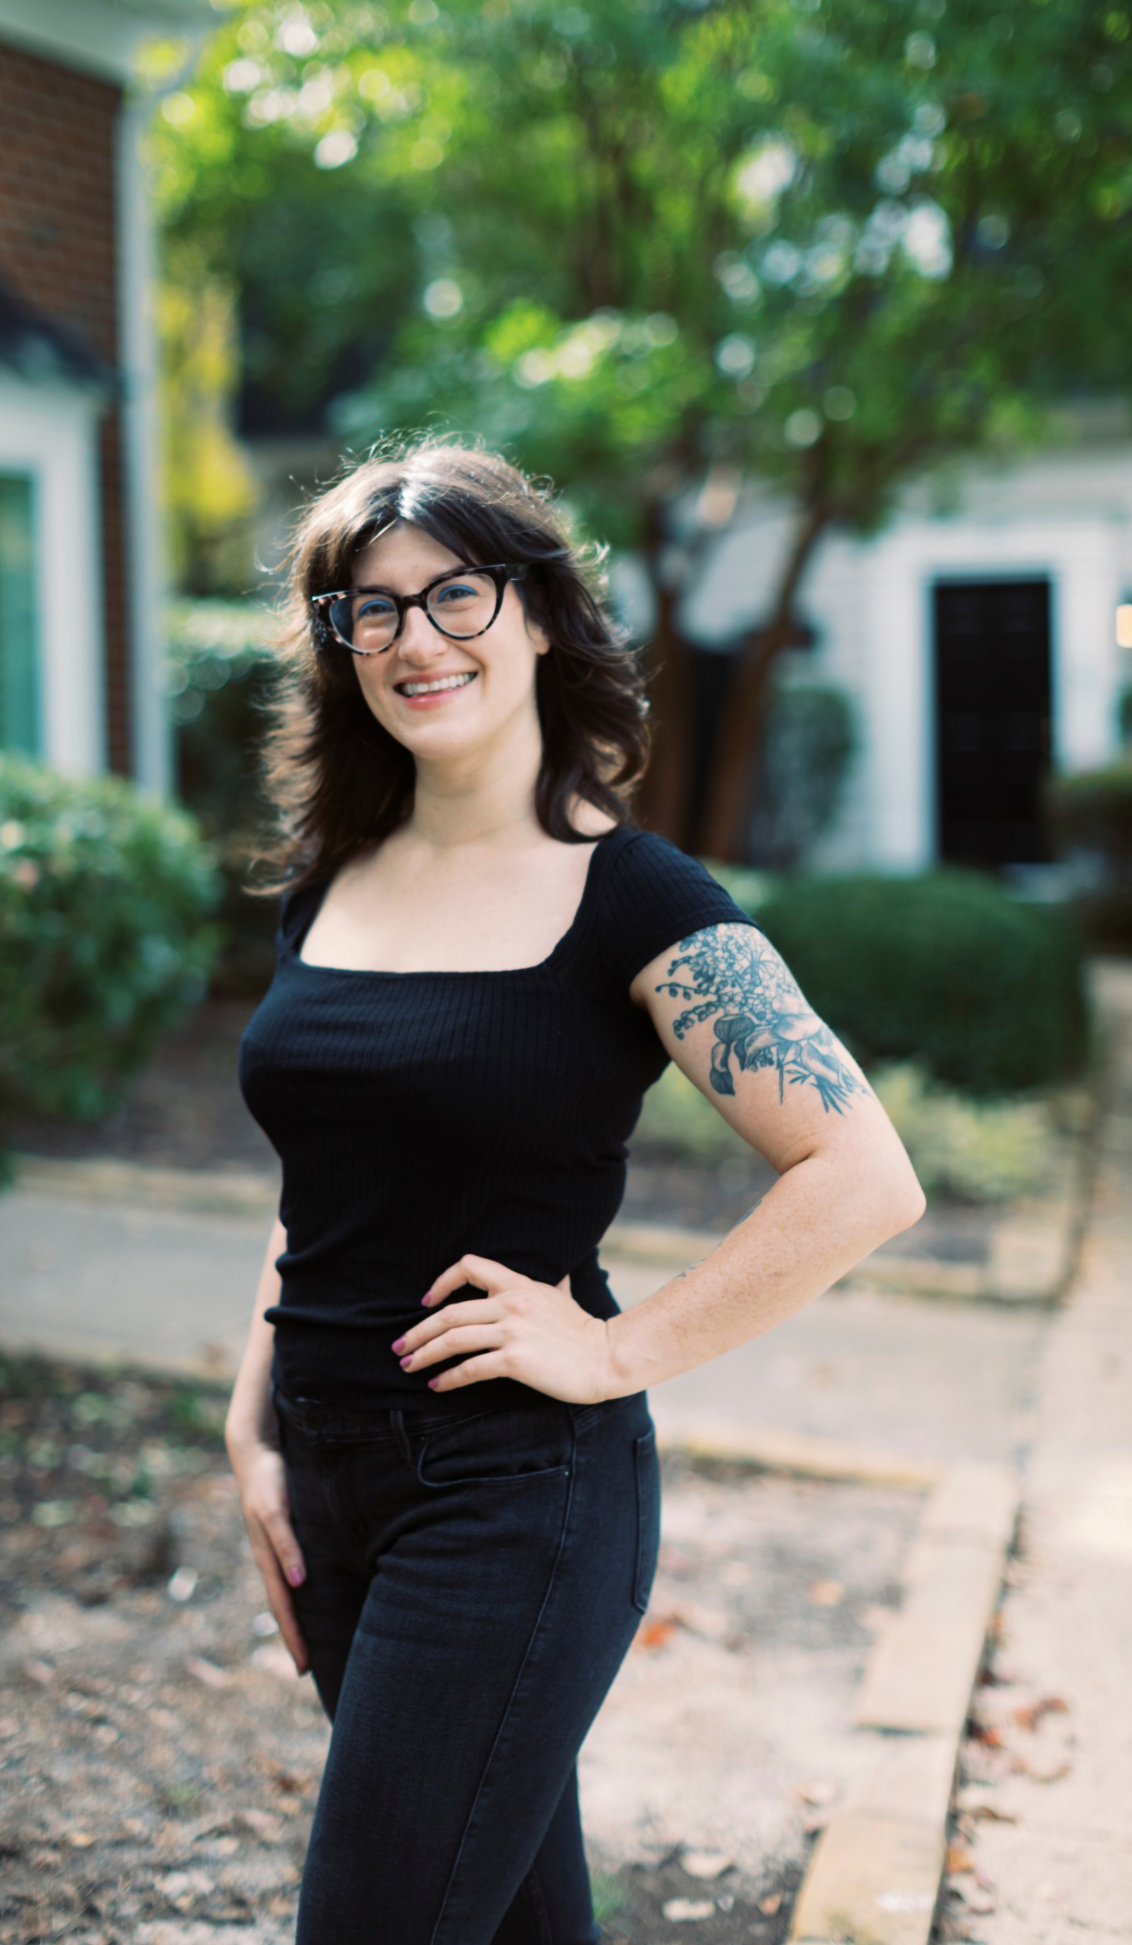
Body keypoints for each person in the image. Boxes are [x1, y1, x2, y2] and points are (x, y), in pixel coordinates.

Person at [227, 441, 925, 1945]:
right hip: (329, 1477)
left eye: (455, 595)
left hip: (511, 1496)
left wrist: (617, 1350)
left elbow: (862, 1173)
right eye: (372, 610)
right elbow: (332, 1179)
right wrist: (256, 1402)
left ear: (538, 615)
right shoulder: (327, 885)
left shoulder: (641, 898)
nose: (416, 638)